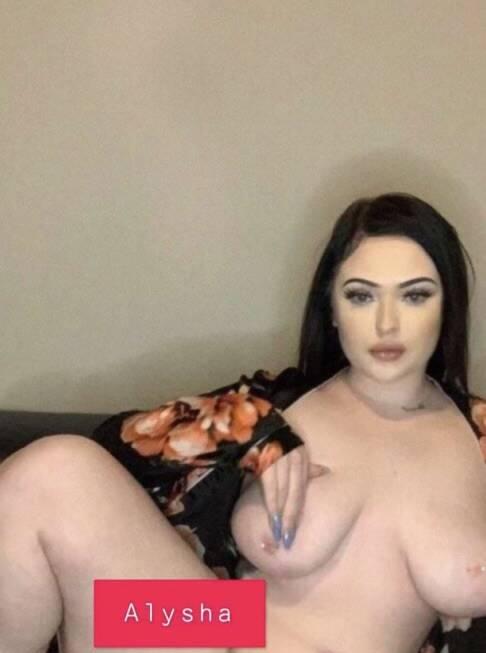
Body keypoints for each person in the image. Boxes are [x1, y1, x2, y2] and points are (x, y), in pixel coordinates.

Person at [2, 192, 486, 653]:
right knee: (54, 470)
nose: (386, 324)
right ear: (332, 310)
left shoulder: (476, 434)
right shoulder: (279, 404)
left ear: (448, 306)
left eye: (415, 295)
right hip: (218, 630)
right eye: (361, 296)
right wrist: (253, 433)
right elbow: (118, 442)